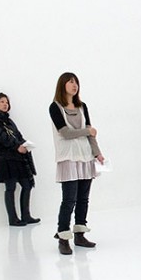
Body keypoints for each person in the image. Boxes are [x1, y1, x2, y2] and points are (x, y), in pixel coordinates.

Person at [49, 72, 105, 255]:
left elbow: (91, 133)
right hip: (68, 157)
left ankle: (80, 235)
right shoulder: (55, 107)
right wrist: (87, 131)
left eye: (76, 82)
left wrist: (97, 153)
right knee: (69, 199)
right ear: (62, 85)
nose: (75, 85)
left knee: (83, 199)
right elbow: (65, 133)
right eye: (71, 82)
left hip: (85, 156)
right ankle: (63, 237)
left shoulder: (82, 106)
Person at [0, 93, 40, 226]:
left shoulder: (9, 121)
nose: (5, 104)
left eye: (7, 102)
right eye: (2, 102)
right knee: (10, 187)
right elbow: (0, 136)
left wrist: (25, 145)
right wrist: (17, 146)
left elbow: (18, 136)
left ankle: (26, 215)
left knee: (27, 185)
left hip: (18, 158)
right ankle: (13, 219)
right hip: (5, 159)